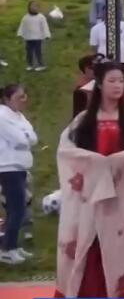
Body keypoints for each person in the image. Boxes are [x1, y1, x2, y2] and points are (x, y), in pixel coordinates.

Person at [54, 62, 124, 298]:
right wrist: (95, 162)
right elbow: (65, 150)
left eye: (121, 81)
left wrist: (120, 161)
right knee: (86, 244)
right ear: (99, 84)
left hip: (120, 194)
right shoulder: (85, 119)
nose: (118, 85)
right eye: (112, 81)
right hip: (91, 193)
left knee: (117, 248)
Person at [0, 84, 36, 265]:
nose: (24, 100)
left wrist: (25, 137)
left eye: (24, 96)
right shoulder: (2, 116)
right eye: (19, 97)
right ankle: (7, 249)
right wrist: (24, 136)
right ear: (7, 99)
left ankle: (13, 245)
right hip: (8, 168)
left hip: (20, 167)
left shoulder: (20, 116)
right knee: (17, 209)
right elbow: (20, 139)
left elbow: (32, 138)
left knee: (18, 209)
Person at [16, 0, 51, 71]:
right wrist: (20, 33)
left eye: (36, 6)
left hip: (38, 38)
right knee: (29, 53)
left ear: (38, 8)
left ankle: (41, 65)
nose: (34, 8)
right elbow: (22, 26)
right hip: (28, 38)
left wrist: (47, 35)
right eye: (32, 6)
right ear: (29, 8)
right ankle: (30, 65)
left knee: (38, 52)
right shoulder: (25, 17)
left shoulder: (41, 17)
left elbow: (45, 26)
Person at [72, 54, 102, 120]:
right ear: (85, 69)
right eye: (91, 68)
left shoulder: (101, 85)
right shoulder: (81, 90)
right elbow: (77, 116)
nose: (95, 70)